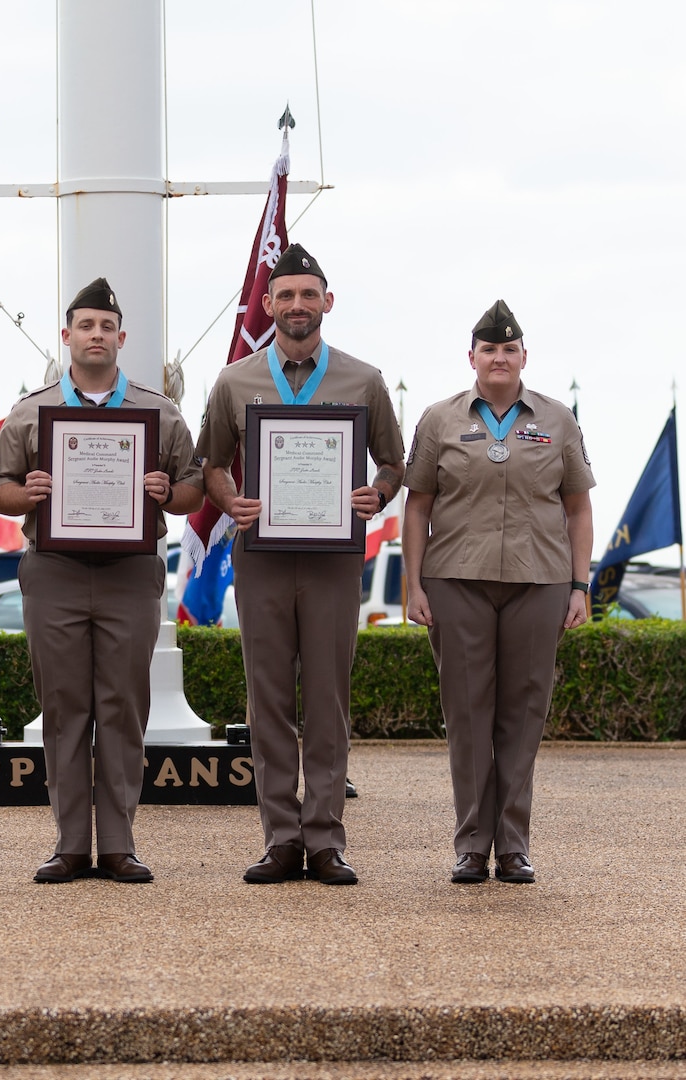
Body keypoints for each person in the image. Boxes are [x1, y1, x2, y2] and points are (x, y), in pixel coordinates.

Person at [197, 244, 404, 886]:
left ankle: (326, 839)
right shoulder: (235, 381)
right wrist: (234, 501)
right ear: (267, 304)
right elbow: (210, 467)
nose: (296, 306)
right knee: (269, 701)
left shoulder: (362, 380)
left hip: (333, 560)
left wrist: (378, 494)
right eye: (284, 295)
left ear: (327, 303)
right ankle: (281, 839)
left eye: (308, 294)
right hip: (260, 556)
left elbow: (394, 463)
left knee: (327, 697)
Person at [0, 277, 204, 884]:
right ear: (67, 336)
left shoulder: (157, 412)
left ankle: (119, 844)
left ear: (121, 338)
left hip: (130, 574)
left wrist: (168, 492)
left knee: (123, 707)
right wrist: (22, 493)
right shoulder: (32, 412)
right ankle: (69, 844)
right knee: (63, 708)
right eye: (86, 326)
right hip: (53, 571)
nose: (97, 336)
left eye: (107, 327)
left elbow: (192, 487)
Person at [402, 299, 593, 885]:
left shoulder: (558, 420)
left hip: (540, 582)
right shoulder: (439, 419)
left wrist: (580, 584)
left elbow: (578, 507)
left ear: (524, 357)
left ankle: (512, 846)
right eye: (489, 349)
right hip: (457, 581)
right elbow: (418, 506)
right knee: (467, 715)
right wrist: (413, 583)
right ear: (472, 358)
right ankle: (470, 846)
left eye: (509, 349)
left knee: (524, 714)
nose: (500, 357)